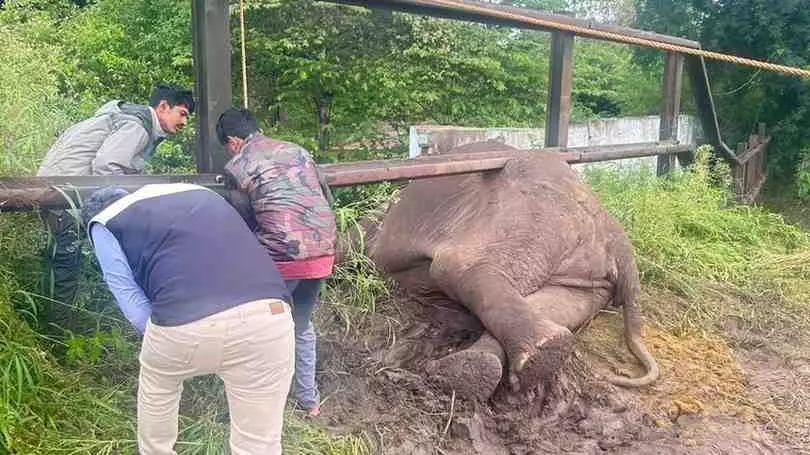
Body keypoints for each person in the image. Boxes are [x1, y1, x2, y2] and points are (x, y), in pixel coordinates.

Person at [83, 183, 294, 455]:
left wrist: (170, 337)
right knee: (259, 444)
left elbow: (132, 304)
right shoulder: (199, 192)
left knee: (159, 388)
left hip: (182, 320)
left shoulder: (103, 222)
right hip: (270, 314)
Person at [216, 107, 336, 417]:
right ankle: (309, 401)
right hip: (322, 252)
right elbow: (325, 196)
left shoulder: (238, 165)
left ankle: (258, 401)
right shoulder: (298, 150)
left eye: (228, 146)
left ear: (233, 141)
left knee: (258, 326)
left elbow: (243, 218)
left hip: (280, 258)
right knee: (301, 326)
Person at [37, 83, 195, 312]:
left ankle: (57, 326)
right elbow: (107, 167)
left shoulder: (124, 119)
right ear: (163, 107)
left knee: (61, 263)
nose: (184, 122)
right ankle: (56, 333)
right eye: (182, 114)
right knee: (65, 265)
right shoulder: (137, 126)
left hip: (56, 191)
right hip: (66, 197)